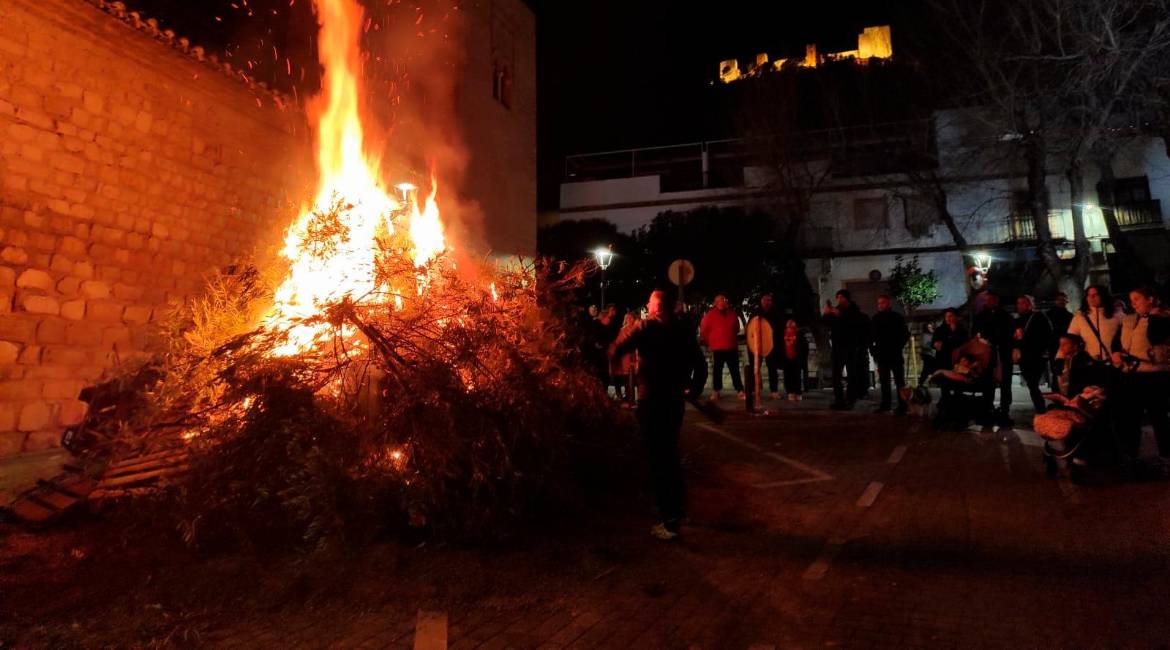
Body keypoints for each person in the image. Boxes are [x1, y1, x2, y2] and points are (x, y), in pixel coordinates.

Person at [610, 289, 708, 541]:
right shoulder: (683, 331)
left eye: (650, 303)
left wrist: (614, 369)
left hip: (651, 400)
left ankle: (669, 519)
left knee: (659, 459)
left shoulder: (645, 328)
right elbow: (701, 364)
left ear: (658, 308)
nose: (647, 305)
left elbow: (617, 348)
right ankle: (678, 509)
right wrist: (693, 389)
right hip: (674, 401)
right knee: (671, 454)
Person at [1111, 286, 1170, 461]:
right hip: (1132, 375)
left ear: (1150, 299)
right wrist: (1116, 352)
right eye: (1132, 300)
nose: (1133, 304)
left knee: (1159, 418)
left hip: (1155, 376)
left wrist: (1153, 315)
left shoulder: (1163, 318)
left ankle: (1166, 456)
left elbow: (1156, 336)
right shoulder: (1130, 320)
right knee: (1130, 418)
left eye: (1137, 299)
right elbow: (1117, 341)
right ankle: (1131, 454)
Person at [823, 289, 870, 410]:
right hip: (837, 346)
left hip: (850, 346)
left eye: (841, 297)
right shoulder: (836, 310)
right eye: (837, 297)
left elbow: (854, 325)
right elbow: (826, 323)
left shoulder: (854, 311)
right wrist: (826, 313)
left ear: (846, 298)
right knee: (836, 374)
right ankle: (839, 399)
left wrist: (840, 316)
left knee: (852, 373)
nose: (838, 299)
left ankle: (850, 399)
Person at [973, 292, 1014, 420]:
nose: (991, 302)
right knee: (987, 382)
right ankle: (987, 407)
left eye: (994, 299)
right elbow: (975, 332)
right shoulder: (980, 316)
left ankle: (1004, 408)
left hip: (1003, 353)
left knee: (1005, 382)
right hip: (986, 354)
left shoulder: (1006, 316)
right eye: (989, 300)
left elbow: (1010, 333)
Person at [1013, 295, 1053, 414]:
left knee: (1033, 383)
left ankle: (1041, 410)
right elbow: (1014, 338)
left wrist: (1030, 340)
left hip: (1036, 356)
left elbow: (1047, 334)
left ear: (1030, 304)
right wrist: (1016, 339)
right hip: (1024, 357)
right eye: (1018, 303)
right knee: (1032, 385)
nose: (1020, 305)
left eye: (1023, 303)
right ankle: (1040, 409)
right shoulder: (1018, 320)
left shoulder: (1039, 317)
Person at [870, 295, 910, 414]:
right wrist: (873, 350)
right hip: (882, 354)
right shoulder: (875, 318)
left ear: (888, 304)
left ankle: (902, 405)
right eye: (879, 303)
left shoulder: (897, 317)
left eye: (883, 303)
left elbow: (904, 334)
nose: (880, 305)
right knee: (884, 381)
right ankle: (886, 404)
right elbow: (871, 335)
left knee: (899, 380)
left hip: (894, 353)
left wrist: (898, 345)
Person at [700, 294, 744, 400]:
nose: (723, 302)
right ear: (715, 303)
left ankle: (740, 390)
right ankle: (716, 391)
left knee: (735, 370)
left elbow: (737, 329)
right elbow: (704, 331)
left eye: (724, 300)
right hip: (718, 348)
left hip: (731, 347)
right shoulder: (709, 315)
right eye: (720, 300)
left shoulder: (732, 314)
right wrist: (710, 343)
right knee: (717, 370)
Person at [1067, 285, 1123, 363]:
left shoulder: (1117, 315)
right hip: (1090, 362)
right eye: (1088, 295)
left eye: (1095, 295)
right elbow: (1070, 339)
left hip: (1114, 361)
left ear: (1103, 296)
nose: (1091, 298)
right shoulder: (1080, 317)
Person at [752, 293, 783, 399]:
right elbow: (751, 327)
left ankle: (774, 390)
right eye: (765, 300)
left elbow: (779, 329)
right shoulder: (756, 312)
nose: (768, 302)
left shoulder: (776, 313)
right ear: (761, 301)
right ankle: (753, 390)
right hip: (758, 345)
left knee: (772, 368)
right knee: (755, 368)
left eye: (770, 300)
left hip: (771, 344)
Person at [1047, 292, 1074, 386]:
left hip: (1064, 346)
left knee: (1062, 370)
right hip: (1055, 345)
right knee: (1057, 370)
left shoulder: (1070, 316)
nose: (1062, 302)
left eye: (1063, 300)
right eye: (1060, 300)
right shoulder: (1049, 315)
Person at [779, 319, 808, 400]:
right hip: (786, 358)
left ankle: (798, 392)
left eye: (792, 326)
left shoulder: (799, 334)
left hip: (797, 358)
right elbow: (780, 346)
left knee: (797, 376)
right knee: (788, 376)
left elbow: (804, 346)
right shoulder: (783, 333)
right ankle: (790, 392)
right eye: (789, 326)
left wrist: (803, 357)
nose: (790, 328)